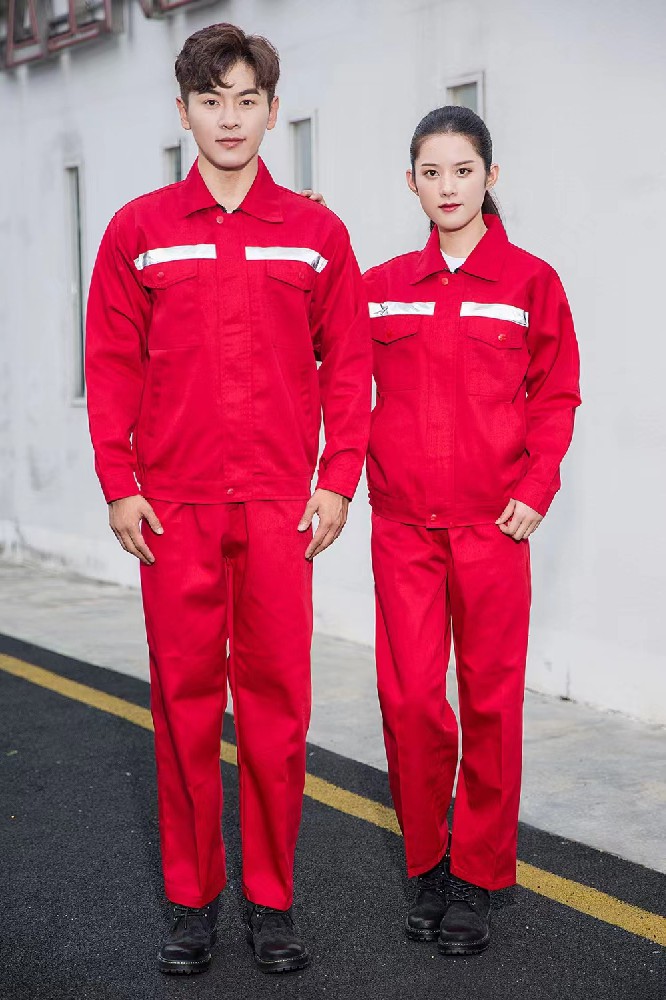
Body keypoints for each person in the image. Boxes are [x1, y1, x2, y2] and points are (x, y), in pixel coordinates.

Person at [85, 22, 371, 976]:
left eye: (247, 100)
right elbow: (112, 364)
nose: (230, 118)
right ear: (184, 113)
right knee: (183, 708)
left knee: (278, 712)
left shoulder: (317, 235)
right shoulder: (138, 231)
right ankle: (192, 898)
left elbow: (350, 367)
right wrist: (120, 485)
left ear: (272, 111)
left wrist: (337, 481)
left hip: (282, 509)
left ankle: (272, 901)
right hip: (174, 510)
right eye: (212, 101)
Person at [363, 106, 581, 955]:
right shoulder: (380, 284)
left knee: (490, 702)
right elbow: (320, 353)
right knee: (410, 701)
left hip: (495, 526)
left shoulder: (531, 283)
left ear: (491, 177)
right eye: (432, 172)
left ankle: (478, 876)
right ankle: (428, 860)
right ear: (411, 182)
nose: (447, 186)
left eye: (463, 170)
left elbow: (555, 394)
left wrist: (537, 484)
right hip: (404, 527)